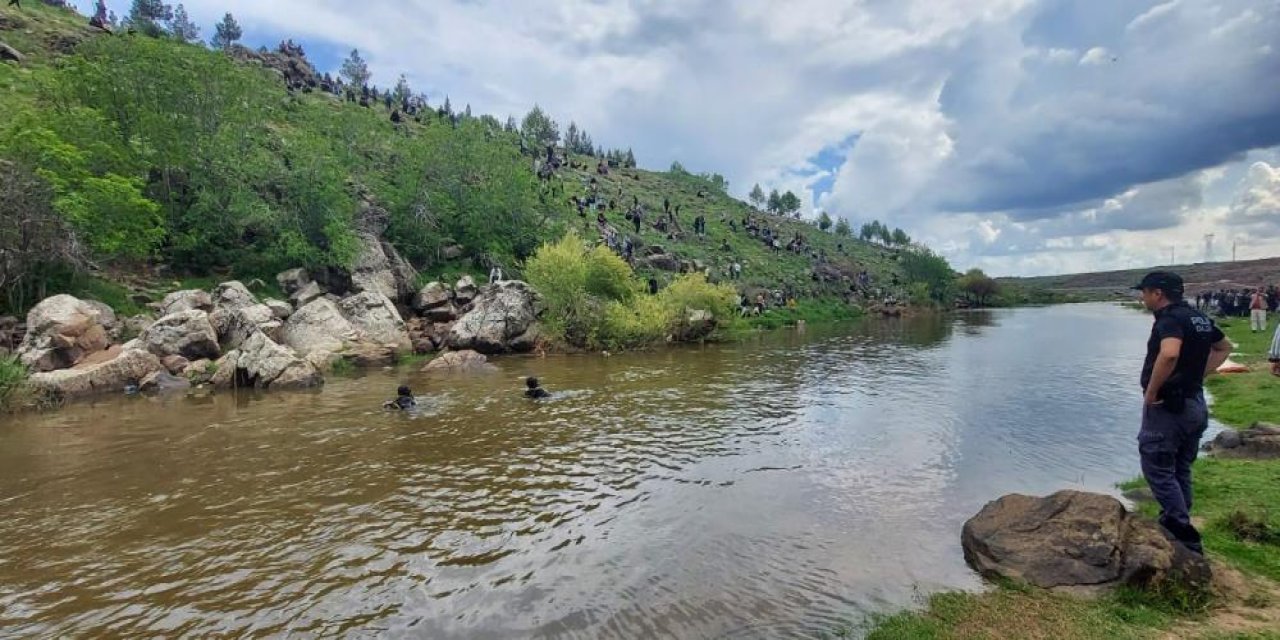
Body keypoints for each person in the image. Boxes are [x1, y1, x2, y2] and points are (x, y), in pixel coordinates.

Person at [1134, 271, 1232, 555]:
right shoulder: (1197, 317)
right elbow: (1224, 347)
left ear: (1158, 294)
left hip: (1170, 408)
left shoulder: (1170, 319)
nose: (1143, 297)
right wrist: (1198, 376)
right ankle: (1177, 521)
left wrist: (1153, 391)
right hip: (1194, 403)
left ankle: (1181, 532)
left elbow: (1169, 353)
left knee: (1157, 465)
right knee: (1180, 467)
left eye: (1145, 292)